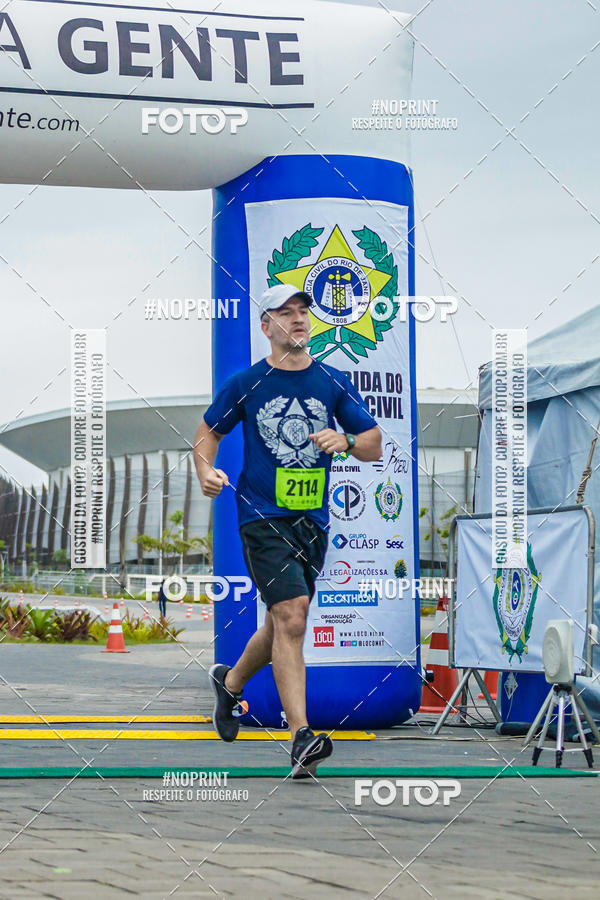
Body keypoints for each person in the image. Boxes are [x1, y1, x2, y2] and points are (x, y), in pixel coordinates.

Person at [193, 283, 382, 779]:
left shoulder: (331, 381)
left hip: (312, 521)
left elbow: (374, 444)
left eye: (304, 311)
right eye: (286, 312)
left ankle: (230, 685)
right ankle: (301, 736)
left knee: (281, 623)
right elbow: (208, 433)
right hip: (262, 517)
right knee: (293, 616)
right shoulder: (247, 384)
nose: (298, 319)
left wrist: (345, 440)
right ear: (266, 326)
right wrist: (205, 471)